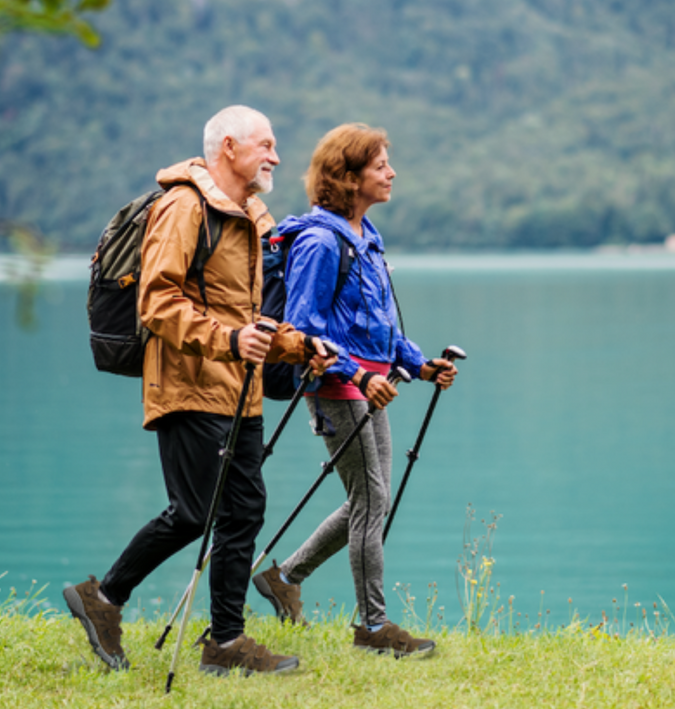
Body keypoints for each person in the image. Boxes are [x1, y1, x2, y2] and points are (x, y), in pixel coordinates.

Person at [64, 105, 334, 676]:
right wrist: (231, 341)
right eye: (266, 145)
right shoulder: (184, 207)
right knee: (193, 513)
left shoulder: (247, 219)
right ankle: (103, 598)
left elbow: (248, 318)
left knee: (245, 510)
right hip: (188, 385)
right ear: (230, 147)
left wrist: (300, 347)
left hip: (239, 389)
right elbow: (157, 303)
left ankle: (227, 642)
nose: (276, 157)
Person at [251, 123, 457, 657]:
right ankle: (372, 627)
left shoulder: (365, 235)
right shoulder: (320, 242)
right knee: (371, 501)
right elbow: (302, 329)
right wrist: (357, 375)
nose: (391, 173)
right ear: (348, 175)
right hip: (337, 389)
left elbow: (379, 325)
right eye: (380, 165)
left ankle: (285, 577)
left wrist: (420, 364)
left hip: (372, 387)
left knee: (370, 500)